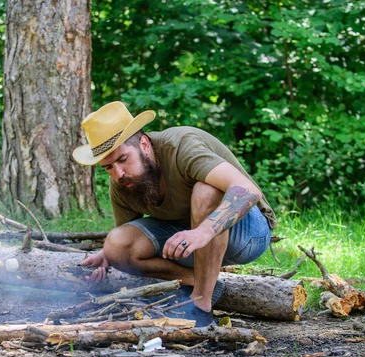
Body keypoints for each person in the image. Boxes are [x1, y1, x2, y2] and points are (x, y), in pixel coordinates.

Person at [72, 101, 277, 326]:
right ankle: (199, 280)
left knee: (207, 189)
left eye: (122, 159)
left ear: (144, 144)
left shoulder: (181, 146)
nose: (118, 173)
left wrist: (204, 231)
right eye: (108, 167)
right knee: (115, 245)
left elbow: (248, 190)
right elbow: (126, 236)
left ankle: (201, 306)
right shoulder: (123, 182)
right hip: (190, 239)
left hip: (247, 234)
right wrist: (107, 256)